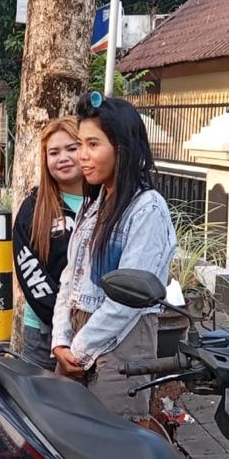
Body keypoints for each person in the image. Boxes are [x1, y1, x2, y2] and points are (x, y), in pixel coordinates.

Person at [51, 94, 178, 422]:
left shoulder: (147, 210)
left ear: (122, 149)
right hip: (81, 338)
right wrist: (60, 341)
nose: (83, 156)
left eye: (93, 144)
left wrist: (76, 351)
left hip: (122, 341)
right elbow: (70, 278)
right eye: (80, 144)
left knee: (111, 446)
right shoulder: (92, 206)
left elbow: (127, 302)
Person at [12, 117, 84, 369]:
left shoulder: (106, 203)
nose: (63, 157)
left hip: (96, 332)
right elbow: (29, 272)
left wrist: (90, 325)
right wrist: (66, 322)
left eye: (72, 148)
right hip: (42, 333)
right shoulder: (33, 208)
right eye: (54, 152)